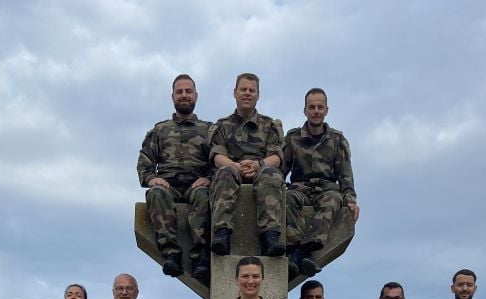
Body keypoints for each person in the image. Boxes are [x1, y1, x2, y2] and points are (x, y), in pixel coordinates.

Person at [137, 74, 212, 281]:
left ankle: (200, 258)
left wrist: (210, 178)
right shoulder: (160, 130)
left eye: (188, 91)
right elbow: (145, 161)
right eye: (180, 92)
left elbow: (220, 160)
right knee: (156, 194)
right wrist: (152, 179)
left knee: (204, 196)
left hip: (197, 184)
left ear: (196, 95)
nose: (184, 95)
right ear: (173, 97)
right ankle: (171, 255)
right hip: (168, 185)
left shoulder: (209, 130)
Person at [282, 87, 359, 280]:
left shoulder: (337, 140)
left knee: (334, 199)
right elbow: (282, 169)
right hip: (299, 187)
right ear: (305, 110)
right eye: (312, 107)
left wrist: (350, 199)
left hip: (326, 189)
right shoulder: (293, 138)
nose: (316, 111)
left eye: (320, 107)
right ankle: (295, 249)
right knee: (287, 199)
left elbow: (345, 173)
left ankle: (305, 251)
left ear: (326, 110)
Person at [208, 72, 285, 258]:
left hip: (260, 170)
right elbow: (217, 156)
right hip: (233, 169)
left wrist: (258, 165)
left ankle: (271, 236)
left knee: (271, 174)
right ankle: (222, 233)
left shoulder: (269, 126)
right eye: (243, 89)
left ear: (258, 95)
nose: (247, 93)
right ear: (235, 93)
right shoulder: (222, 125)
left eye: (252, 90)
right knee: (224, 172)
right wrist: (236, 166)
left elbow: (276, 157)